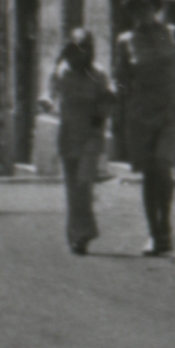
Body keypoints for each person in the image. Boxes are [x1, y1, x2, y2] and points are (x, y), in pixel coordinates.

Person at [114, 0, 175, 256]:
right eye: (135, 11)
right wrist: (118, 120)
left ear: (155, 8)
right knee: (149, 175)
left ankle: (165, 226)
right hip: (140, 113)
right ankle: (154, 233)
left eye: (145, 8)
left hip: (171, 109)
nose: (141, 15)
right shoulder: (125, 41)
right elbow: (121, 82)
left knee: (163, 166)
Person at [52, 29, 113, 254]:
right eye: (77, 49)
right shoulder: (64, 72)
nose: (82, 54)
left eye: (86, 49)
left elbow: (107, 102)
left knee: (83, 186)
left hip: (90, 136)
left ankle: (81, 234)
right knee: (72, 187)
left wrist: (100, 116)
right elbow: (51, 93)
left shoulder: (98, 74)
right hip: (68, 134)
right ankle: (76, 233)